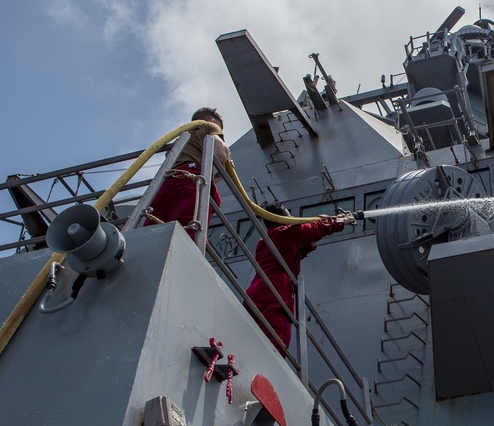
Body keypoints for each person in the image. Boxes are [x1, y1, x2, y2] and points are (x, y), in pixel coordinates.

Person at [246, 203, 355, 353]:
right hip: (276, 290)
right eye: (289, 217)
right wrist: (340, 221)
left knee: (246, 334)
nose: (293, 220)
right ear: (281, 219)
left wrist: (312, 240)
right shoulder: (285, 232)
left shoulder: (264, 241)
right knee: (276, 342)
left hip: (255, 291)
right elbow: (313, 230)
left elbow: (292, 251)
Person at [145, 107, 231, 239]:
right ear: (213, 121)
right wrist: (227, 160)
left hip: (166, 183)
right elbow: (220, 154)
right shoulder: (209, 126)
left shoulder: (181, 138)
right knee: (188, 230)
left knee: (153, 229)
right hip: (191, 181)